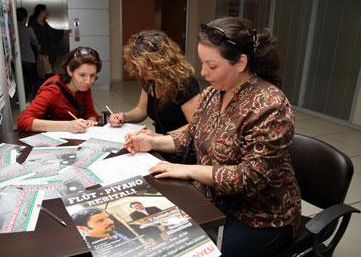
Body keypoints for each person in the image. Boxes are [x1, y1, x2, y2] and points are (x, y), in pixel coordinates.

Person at [124, 17, 301, 257]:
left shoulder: (269, 105)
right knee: (157, 236)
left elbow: (249, 177)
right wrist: (153, 141)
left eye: (212, 65)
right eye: (202, 63)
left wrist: (189, 171)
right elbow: (189, 135)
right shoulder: (213, 94)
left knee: (188, 250)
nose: (203, 72)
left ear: (240, 63)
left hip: (259, 217)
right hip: (215, 200)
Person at [108, 30, 200, 135]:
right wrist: (124, 116)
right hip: (161, 144)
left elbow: (195, 126)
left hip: (182, 147)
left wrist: (158, 138)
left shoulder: (185, 84)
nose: (140, 73)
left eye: (145, 68)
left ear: (162, 62)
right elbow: (142, 110)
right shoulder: (150, 81)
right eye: (138, 68)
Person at [17, 46, 101, 133]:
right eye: (82, 75)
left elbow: (90, 113)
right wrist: (67, 126)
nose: (88, 81)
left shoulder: (83, 86)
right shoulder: (52, 89)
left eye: (92, 75)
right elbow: (23, 121)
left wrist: (91, 120)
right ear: (69, 71)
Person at [16, 7, 41, 101]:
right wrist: (38, 47)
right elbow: (34, 41)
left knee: (21, 80)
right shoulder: (28, 29)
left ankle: (21, 99)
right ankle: (32, 99)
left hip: (18, 60)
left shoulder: (12, 30)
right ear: (25, 18)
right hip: (29, 59)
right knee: (32, 80)